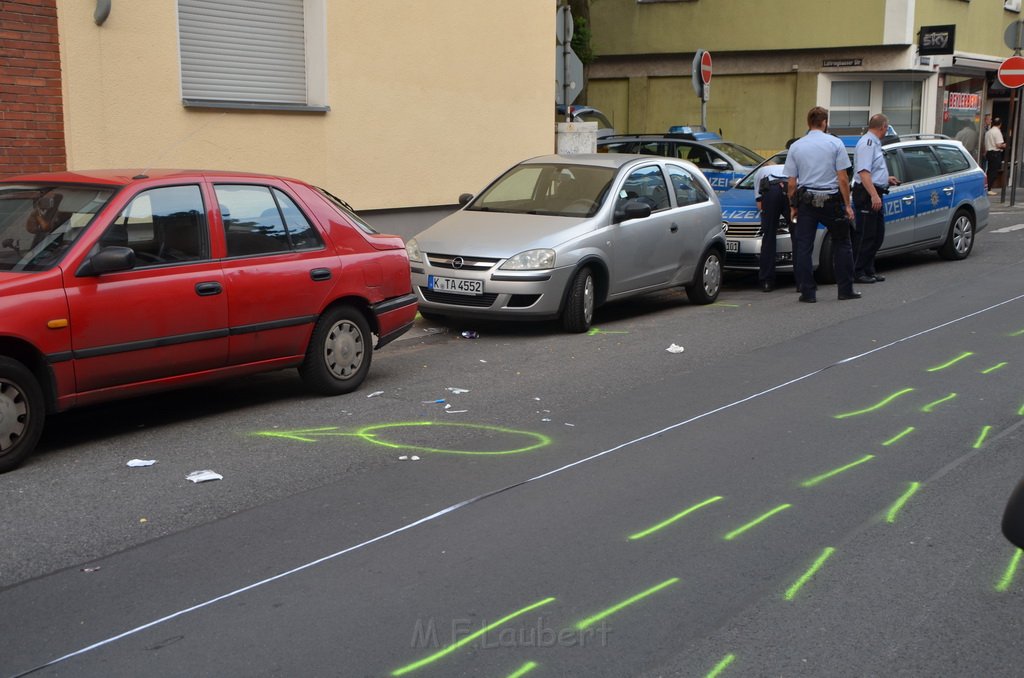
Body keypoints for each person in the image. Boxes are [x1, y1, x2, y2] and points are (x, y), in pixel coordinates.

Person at [784, 106, 859, 303]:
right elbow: (842, 178)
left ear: (808, 123)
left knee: (804, 247)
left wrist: (793, 206)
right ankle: (845, 289)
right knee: (843, 243)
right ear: (824, 123)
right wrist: (848, 205)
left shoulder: (796, 146)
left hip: (807, 202)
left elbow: (791, 182)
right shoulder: (835, 143)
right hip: (831, 201)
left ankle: (807, 292)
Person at [851, 114, 900, 285]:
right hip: (867, 194)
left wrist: (886, 179)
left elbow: (873, 169)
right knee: (865, 235)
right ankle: (857, 271)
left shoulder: (874, 143)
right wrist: (873, 195)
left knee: (877, 235)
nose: (887, 130)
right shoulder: (867, 143)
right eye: (886, 127)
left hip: (875, 190)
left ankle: (868, 269)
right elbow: (863, 172)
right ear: (883, 127)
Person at [752, 158, 790, 292]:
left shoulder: (761, 171)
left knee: (768, 238)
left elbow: (759, 203)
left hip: (771, 190)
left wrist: (769, 217)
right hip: (789, 188)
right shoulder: (789, 165)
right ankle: (803, 281)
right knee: (799, 237)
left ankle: (767, 281)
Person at [984, 117, 1005, 195]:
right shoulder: (997, 132)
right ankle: (989, 189)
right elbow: (999, 145)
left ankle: (987, 188)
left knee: (989, 171)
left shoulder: (989, 132)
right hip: (995, 154)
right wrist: (1005, 145)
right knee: (993, 172)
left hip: (989, 153)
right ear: (1000, 124)